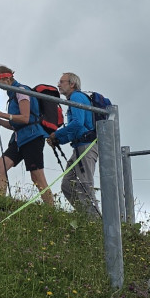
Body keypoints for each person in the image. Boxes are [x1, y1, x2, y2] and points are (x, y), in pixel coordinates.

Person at [0, 65, 51, 204]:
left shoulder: (21, 91)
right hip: (20, 138)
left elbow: (25, 118)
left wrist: (2, 114)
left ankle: (51, 210)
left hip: (32, 137)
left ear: (7, 78)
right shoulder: (13, 94)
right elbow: (15, 124)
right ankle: (1, 203)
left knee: (37, 177)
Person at [49, 72, 100, 217]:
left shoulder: (76, 97)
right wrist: (59, 140)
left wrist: (56, 134)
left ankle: (95, 220)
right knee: (67, 185)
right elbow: (76, 129)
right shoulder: (76, 98)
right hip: (80, 146)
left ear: (72, 84)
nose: (58, 85)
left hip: (86, 146)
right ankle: (86, 217)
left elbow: (77, 123)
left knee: (84, 184)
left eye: (62, 82)